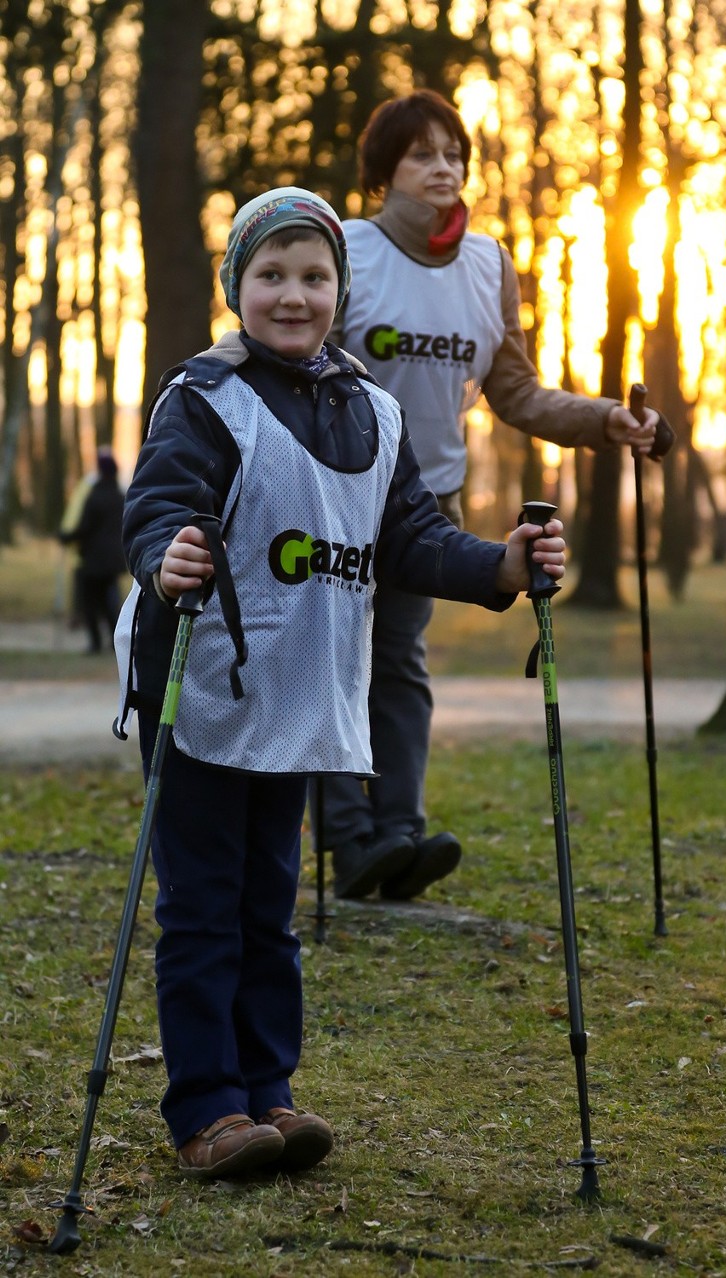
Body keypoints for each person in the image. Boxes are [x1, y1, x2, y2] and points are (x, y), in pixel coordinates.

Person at [115, 187, 567, 1180]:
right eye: (270, 275)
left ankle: (268, 1094)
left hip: (302, 694)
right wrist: (165, 558)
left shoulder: (375, 408)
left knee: (267, 906)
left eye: (313, 276)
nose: (293, 295)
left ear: (339, 290)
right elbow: (156, 506)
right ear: (239, 287)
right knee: (202, 906)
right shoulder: (202, 395)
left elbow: (411, 538)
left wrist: (499, 566)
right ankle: (208, 1112)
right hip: (199, 686)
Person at [320, 89, 674, 904]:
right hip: (336, 494)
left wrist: (605, 419)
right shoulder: (350, 250)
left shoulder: (488, 265)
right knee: (335, 665)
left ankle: (400, 833)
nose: (443, 169)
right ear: (385, 172)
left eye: (454, 154)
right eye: (422, 154)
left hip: (426, 505)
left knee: (400, 666)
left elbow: (516, 391)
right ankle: (348, 840)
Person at [59, 447, 125, 654]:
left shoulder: (94, 495)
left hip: (92, 560)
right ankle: (115, 641)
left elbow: (85, 528)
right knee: (110, 602)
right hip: (113, 560)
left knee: (90, 602)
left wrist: (66, 537)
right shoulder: (120, 496)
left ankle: (95, 643)